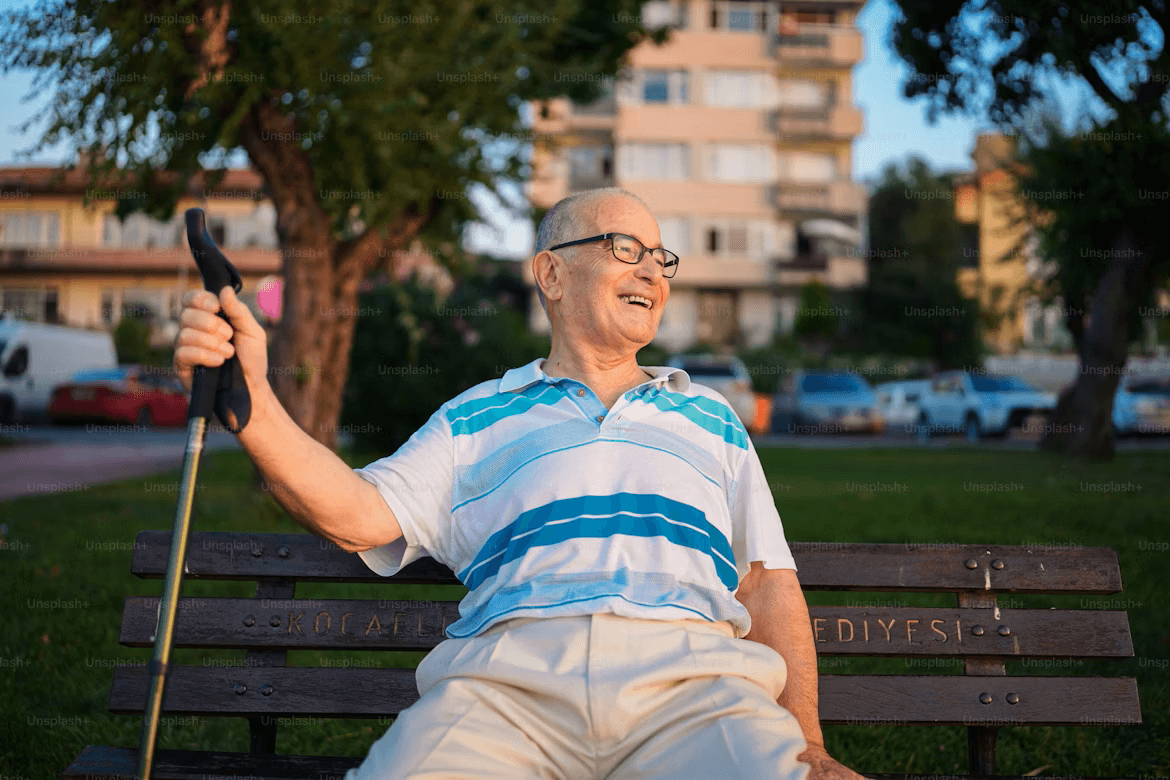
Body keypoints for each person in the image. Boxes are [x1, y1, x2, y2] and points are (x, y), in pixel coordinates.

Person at [174, 187, 863, 779]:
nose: (654, 272)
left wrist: (805, 739)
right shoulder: (474, 417)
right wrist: (256, 404)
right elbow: (358, 512)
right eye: (627, 248)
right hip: (506, 686)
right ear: (552, 274)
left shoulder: (711, 418)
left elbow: (768, 581)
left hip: (696, 684)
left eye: (663, 259)